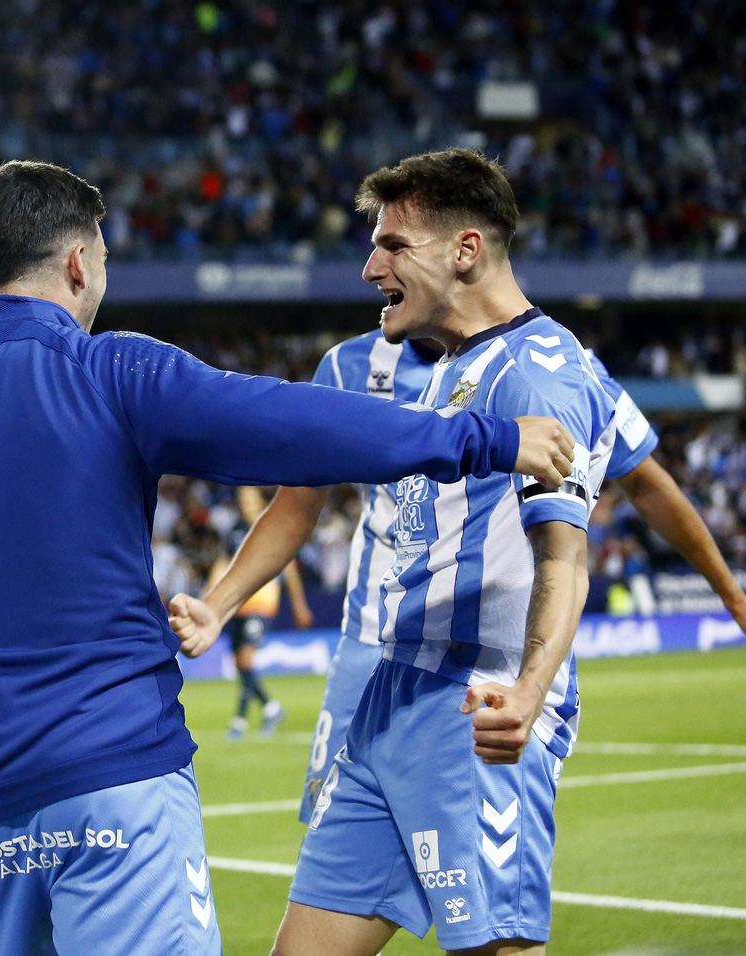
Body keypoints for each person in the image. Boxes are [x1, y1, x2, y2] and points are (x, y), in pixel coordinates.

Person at [0, 160, 578, 956]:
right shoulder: (115, 371)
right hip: (116, 782)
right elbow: (288, 422)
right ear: (79, 262)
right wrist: (481, 440)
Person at [173, 332, 746, 825]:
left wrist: (730, 594)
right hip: (371, 646)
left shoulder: (553, 364)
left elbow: (645, 481)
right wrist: (220, 604)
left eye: (393, 247)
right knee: (336, 857)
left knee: (480, 890)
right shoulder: (347, 366)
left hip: (481, 660)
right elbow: (296, 505)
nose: (375, 270)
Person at [245, 146, 616, 956]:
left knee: (494, 948)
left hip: (473, 705)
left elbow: (565, 558)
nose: (371, 266)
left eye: (393, 245)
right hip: (387, 699)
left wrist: (527, 691)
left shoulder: (539, 376)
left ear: (465, 251)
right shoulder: (455, 366)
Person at [210, 486, 313, 740]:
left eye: (248, 498)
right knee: (240, 665)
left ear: (259, 500)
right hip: (237, 605)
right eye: (241, 499)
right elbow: (223, 563)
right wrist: (208, 598)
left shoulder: (269, 525)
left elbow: (288, 569)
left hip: (262, 603)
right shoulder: (236, 530)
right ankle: (245, 719)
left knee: (245, 661)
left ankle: (265, 709)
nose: (244, 503)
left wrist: (300, 606)